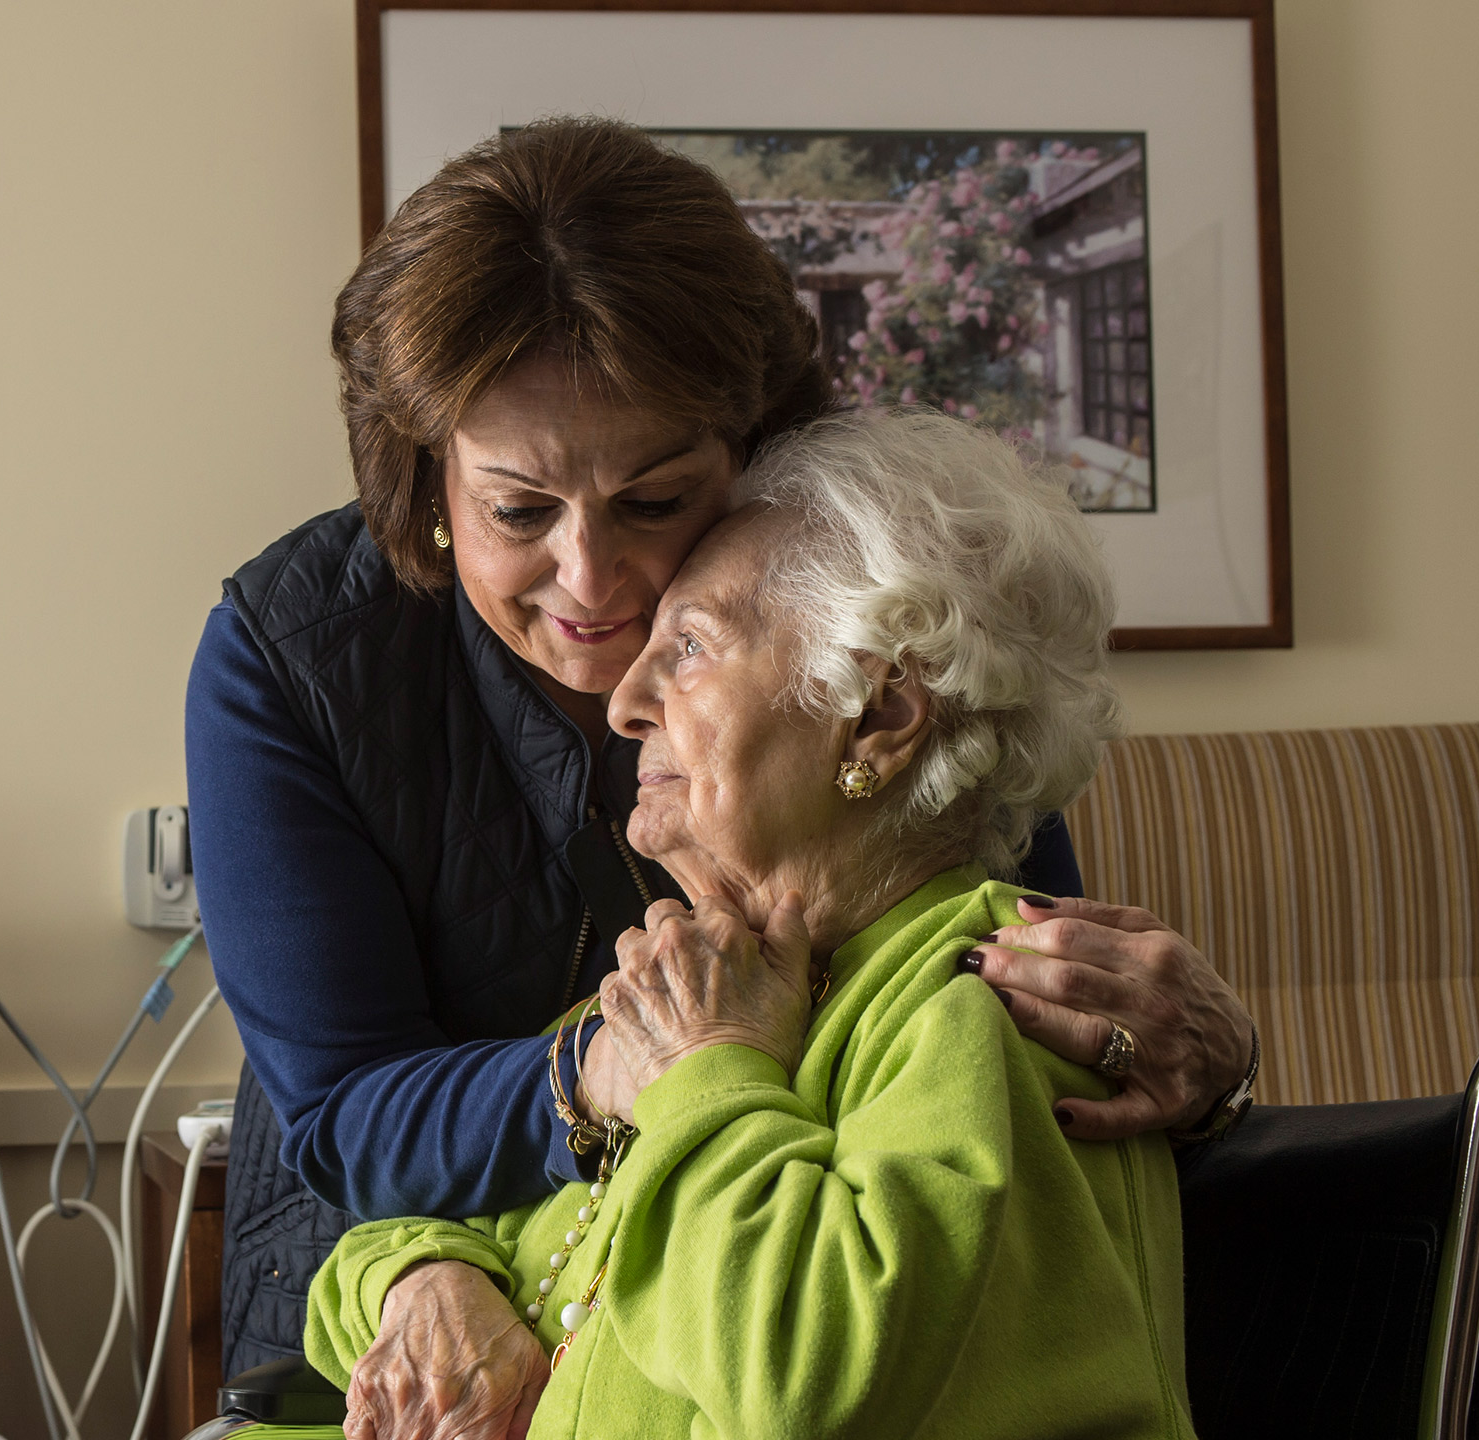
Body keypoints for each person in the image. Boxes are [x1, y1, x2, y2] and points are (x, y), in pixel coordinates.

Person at [185, 116, 1259, 1381]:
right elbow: (347, 1107)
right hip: (382, 1267)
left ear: (751, 446)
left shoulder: (869, 614)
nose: (593, 581)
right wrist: (620, 1071)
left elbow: (985, 939)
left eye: (654, 499)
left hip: (745, 1289)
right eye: (518, 510)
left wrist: (1187, 1058)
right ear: (424, 482)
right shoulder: (293, 656)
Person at [294, 407, 1189, 1440]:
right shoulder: (698, 985)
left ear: (882, 714)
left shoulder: (990, 1012)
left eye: (689, 647)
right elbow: (373, 1246)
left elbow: (806, 1376)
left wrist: (708, 1070)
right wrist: (432, 1278)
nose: (625, 699)